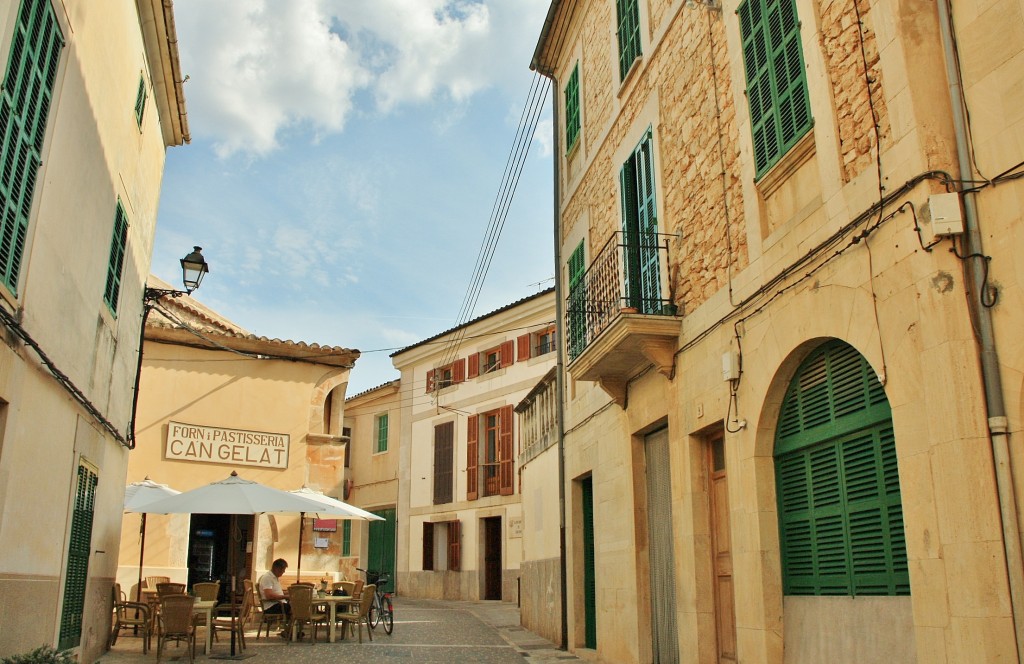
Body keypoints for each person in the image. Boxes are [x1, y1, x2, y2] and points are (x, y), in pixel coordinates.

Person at [258, 559, 294, 638]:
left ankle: (290, 631)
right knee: (295, 609)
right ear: (277, 569)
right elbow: (269, 595)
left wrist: (289, 594)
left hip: (278, 603)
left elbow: (277, 593)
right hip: (271, 606)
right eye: (283, 570)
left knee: (295, 606)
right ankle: (290, 632)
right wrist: (286, 597)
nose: (283, 572)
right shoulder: (267, 578)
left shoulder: (274, 578)